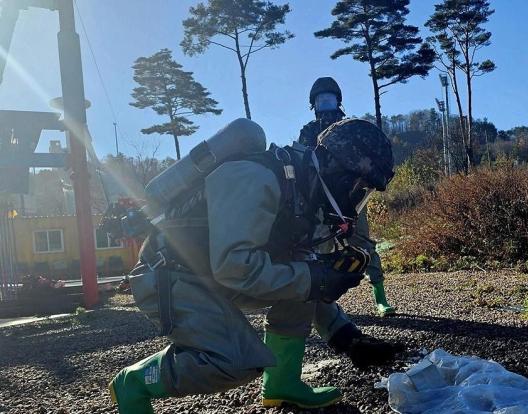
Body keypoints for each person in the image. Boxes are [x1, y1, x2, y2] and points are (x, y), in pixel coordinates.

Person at [108, 118, 396, 413]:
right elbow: (235, 265)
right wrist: (316, 278)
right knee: (236, 361)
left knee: (305, 275)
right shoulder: (257, 177)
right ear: (339, 172)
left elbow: (302, 274)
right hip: (168, 276)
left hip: (209, 275)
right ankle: (135, 382)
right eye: (360, 189)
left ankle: (282, 383)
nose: (357, 200)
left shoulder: (304, 195)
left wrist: (347, 337)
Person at [299, 77, 396, 317]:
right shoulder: (308, 131)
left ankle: (380, 298)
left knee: (361, 241)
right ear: (314, 104)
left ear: (338, 101)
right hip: (318, 197)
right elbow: (301, 160)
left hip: (350, 197)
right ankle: (322, 302)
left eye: (329, 99)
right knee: (318, 246)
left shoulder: (351, 127)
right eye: (321, 100)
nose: (325, 103)